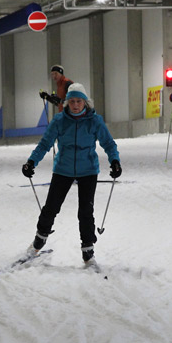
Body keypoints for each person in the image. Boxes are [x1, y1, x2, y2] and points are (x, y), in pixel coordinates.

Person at [22, 83, 120, 267]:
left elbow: (108, 143)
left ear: (85, 102)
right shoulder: (59, 121)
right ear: (67, 103)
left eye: (79, 101)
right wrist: (31, 162)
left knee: (85, 212)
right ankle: (37, 243)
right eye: (72, 101)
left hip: (88, 170)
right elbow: (44, 144)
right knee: (51, 207)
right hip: (63, 169)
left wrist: (115, 160)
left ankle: (88, 253)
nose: (76, 105)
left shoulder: (95, 121)